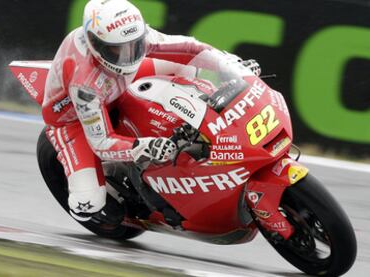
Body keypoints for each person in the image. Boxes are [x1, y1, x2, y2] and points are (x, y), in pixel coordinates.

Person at [42, 0, 260, 225]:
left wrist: (232, 68)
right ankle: (94, 196)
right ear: (96, 44)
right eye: (117, 49)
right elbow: (100, 142)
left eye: (134, 45)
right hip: (73, 120)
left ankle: (205, 118)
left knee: (188, 67)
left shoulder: (137, 40)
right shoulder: (84, 84)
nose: (129, 55)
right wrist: (143, 147)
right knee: (87, 204)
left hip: (119, 84)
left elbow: (190, 49)